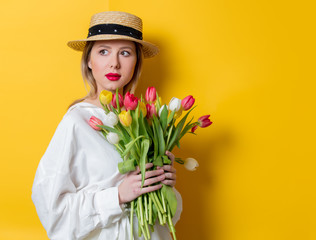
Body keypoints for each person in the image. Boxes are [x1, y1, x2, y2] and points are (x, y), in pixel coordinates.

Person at [31, 11, 182, 240]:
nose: (114, 63)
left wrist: (164, 183)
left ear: (136, 63)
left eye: (125, 53)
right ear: (89, 61)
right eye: (103, 51)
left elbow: (169, 217)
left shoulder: (148, 120)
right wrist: (118, 196)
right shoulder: (77, 122)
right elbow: (51, 208)